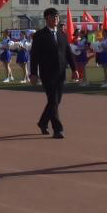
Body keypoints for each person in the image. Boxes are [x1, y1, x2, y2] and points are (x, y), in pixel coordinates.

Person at [31, 8, 74, 139]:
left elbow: (68, 52)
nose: (55, 18)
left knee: (56, 101)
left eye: (57, 16)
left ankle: (43, 122)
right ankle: (57, 129)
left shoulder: (62, 34)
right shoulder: (39, 35)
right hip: (47, 73)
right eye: (52, 16)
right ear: (46, 19)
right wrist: (33, 73)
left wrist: (74, 69)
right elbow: (34, 56)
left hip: (61, 73)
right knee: (53, 100)